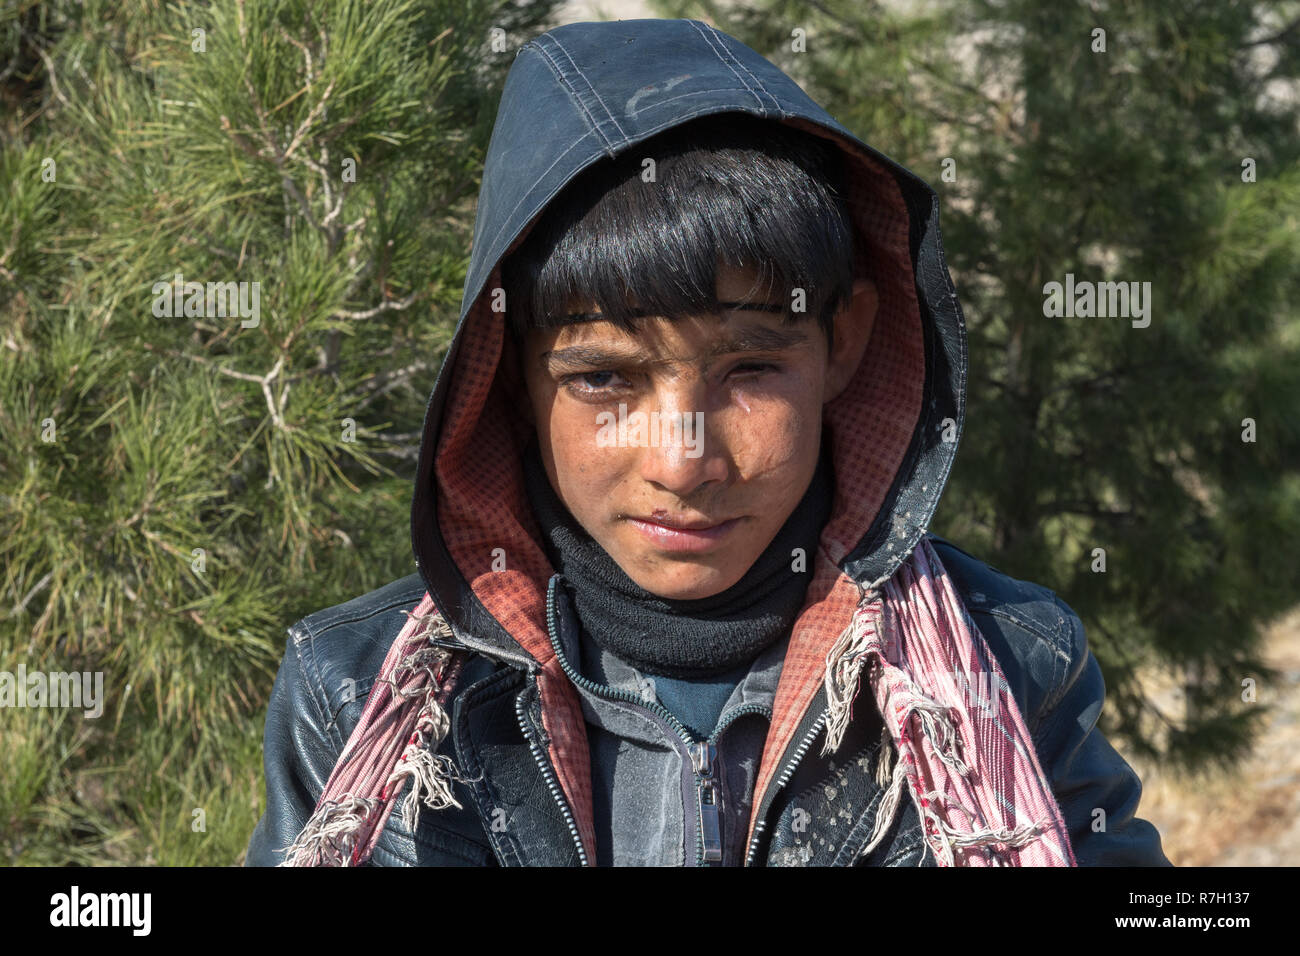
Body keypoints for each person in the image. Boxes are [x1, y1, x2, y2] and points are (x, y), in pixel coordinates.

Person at [244, 17, 1170, 867]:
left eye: (752, 370)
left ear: (842, 342)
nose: (684, 463)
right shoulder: (358, 692)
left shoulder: (1009, 664)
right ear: (512, 379)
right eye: (603, 378)